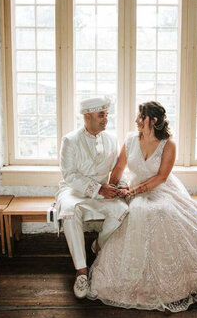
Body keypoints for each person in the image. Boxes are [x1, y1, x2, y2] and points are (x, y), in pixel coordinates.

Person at [87, 101, 197, 312]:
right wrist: (113, 189)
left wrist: (135, 191)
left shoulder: (168, 144)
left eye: (141, 117)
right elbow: (120, 168)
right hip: (133, 190)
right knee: (138, 211)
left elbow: (161, 177)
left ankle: (173, 276)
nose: (136, 121)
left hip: (160, 190)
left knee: (162, 212)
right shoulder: (130, 140)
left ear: (153, 120)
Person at [54, 96, 129, 299]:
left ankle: (98, 245)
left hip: (104, 190)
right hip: (74, 191)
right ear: (87, 117)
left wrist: (121, 186)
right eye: (102, 115)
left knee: (122, 210)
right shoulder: (70, 140)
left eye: (107, 115)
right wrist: (97, 189)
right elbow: (69, 175)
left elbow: (116, 170)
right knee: (69, 211)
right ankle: (81, 271)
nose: (106, 119)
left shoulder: (112, 139)